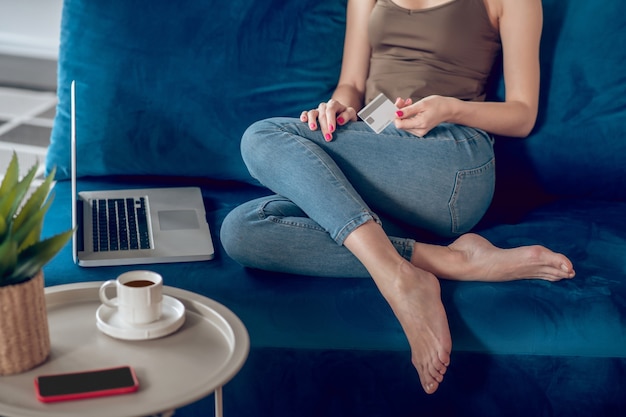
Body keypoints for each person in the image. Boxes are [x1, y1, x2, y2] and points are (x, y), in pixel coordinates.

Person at [221, 0, 575, 394]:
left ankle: (397, 281)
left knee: (262, 137)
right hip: (376, 157)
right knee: (242, 230)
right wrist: (339, 107)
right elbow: (352, 84)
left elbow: (523, 114)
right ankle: (443, 261)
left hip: (452, 162)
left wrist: (451, 108)